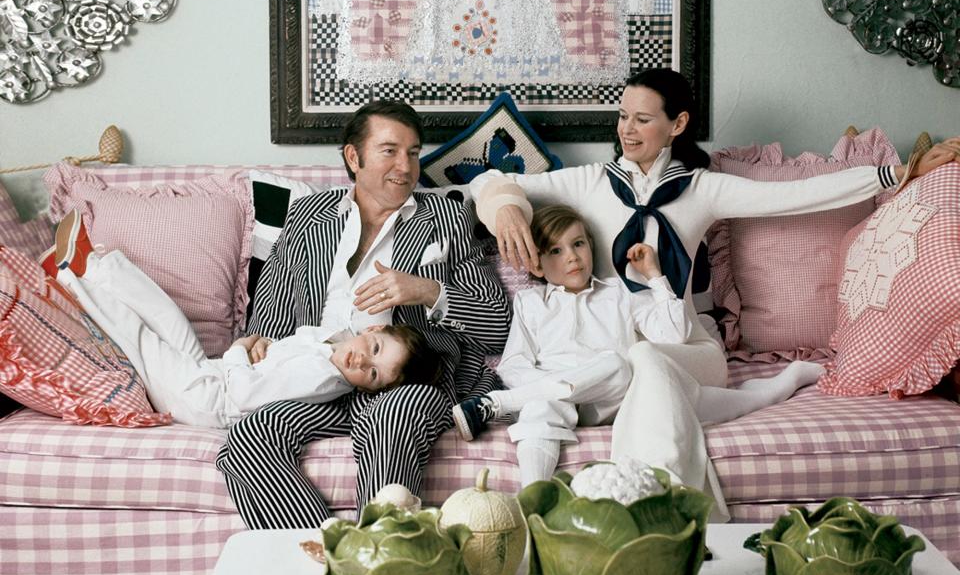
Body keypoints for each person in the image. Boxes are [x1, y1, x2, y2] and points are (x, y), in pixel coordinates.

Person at [470, 68, 960, 513]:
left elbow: (795, 195)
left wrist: (898, 174)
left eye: (642, 119)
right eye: (622, 117)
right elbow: (488, 182)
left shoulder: (702, 189)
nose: (626, 130)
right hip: (618, 353)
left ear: (677, 124)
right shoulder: (589, 182)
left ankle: (647, 505)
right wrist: (508, 208)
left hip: (689, 347)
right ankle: (681, 509)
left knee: (646, 360)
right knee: (637, 360)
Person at [216, 100, 511, 527]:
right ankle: (328, 556)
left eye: (413, 152)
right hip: (321, 378)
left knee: (393, 416)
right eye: (389, 150)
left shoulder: (447, 217)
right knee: (247, 439)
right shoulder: (306, 216)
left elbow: (497, 326)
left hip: (403, 381)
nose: (405, 166)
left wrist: (425, 291)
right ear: (354, 157)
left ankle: (383, 550)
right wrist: (260, 342)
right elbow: (274, 309)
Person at [49, 212, 438, 428]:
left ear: (368, 389)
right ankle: (95, 265)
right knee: (170, 318)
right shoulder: (332, 345)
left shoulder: (324, 378)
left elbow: (246, 395)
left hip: (206, 399)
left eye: (371, 374)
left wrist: (239, 349)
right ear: (370, 330)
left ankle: (69, 275)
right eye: (372, 349)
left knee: (142, 341)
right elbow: (295, 347)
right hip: (212, 373)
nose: (361, 361)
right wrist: (264, 345)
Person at [452, 204, 693, 486]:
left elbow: (675, 334)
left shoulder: (619, 292)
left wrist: (654, 276)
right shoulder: (530, 303)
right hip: (552, 404)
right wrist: (548, 389)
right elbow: (513, 364)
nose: (572, 257)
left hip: (608, 399)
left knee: (619, 363)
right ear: (536, 264)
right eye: (556, 250)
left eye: (578, 244)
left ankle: (497, 404)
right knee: (538, 408)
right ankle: (532, 500)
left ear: (590, 246)